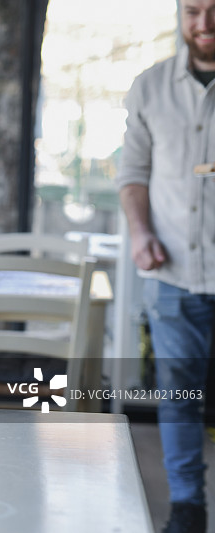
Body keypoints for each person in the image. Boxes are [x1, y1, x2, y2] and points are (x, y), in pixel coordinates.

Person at [116, 2, 215, 532]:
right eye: (195, 11)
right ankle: (187, 507)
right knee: (180, 393)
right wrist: (142, 231)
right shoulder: (150, 87)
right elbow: (133, 173)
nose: (204, 23)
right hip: (174, 272)